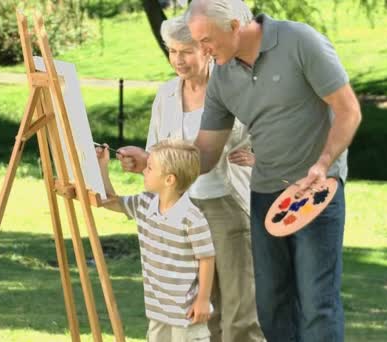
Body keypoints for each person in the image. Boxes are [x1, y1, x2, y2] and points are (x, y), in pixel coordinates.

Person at [180, 0, 362, 341]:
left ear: (234, 26)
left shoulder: (300, 41)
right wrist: (155, 163)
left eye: (206, 40)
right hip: (265, 193)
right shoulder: (223, 75)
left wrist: (324, 165)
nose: (201, 50)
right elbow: (206, 151)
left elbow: (348, 110)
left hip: (316, 190)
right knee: (271, 304)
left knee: (316, 302)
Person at [117, 15, 264, 342]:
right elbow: (157, 155)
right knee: (197, 311)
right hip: (181, 211)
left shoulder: (235, 88)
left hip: (227, 206)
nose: (178, 60)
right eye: (172, 51)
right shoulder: (166, 95)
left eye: (186, 51)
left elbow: (274, 130)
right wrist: (142, 163)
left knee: (240, 309)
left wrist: (263, 158)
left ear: (207, 50)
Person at [96, 139, 215, 341]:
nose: (144, 171)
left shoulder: (192, 218)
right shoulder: (144, 204)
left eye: (150, 168)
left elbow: (207, 258)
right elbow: (109, 200)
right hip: (158, 309)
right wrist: (102, 166)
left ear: (169, 179)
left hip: (186, 313)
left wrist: (202, 300)